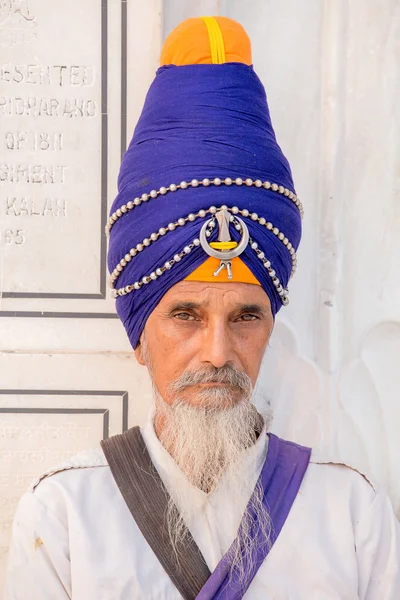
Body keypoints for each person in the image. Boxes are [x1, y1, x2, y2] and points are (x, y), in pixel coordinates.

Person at [4, 16, 400, 600]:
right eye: (185, 315)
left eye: (245, 317)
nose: (218, 353)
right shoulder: (65, 517)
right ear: (138, 334)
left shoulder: (352, 517)